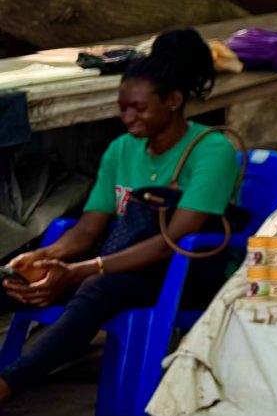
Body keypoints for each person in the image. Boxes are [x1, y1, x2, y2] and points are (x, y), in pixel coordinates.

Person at [1, 28, 240, 404]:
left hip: (184, 276)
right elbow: (88, 228)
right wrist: (44, 257)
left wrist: (80, 271)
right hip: (121, 266)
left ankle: (8, 384)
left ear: (173, 101)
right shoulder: (121, 149)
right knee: (14, 282)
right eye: (123, 106)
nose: (127, 117)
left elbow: (171, 243)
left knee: (96, 288)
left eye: (139, 108)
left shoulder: (211, 151)